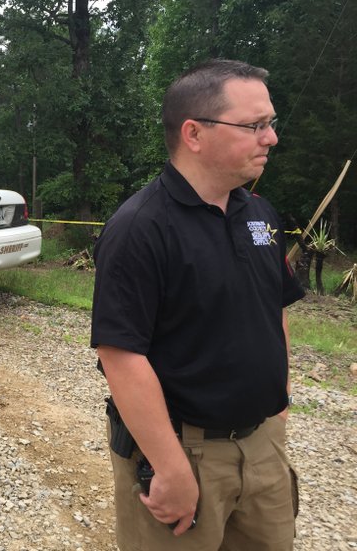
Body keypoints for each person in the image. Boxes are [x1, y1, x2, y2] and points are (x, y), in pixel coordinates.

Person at [90, 59, 305, 551]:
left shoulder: (260, 215)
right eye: (255, 125)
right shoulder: (140, 228)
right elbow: (120, 356)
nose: (270, 138)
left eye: (270, 123)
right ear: (193, 133)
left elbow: (275, 310)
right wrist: (169, 467)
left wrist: (279, 407)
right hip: (184, 452)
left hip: (263, 445)